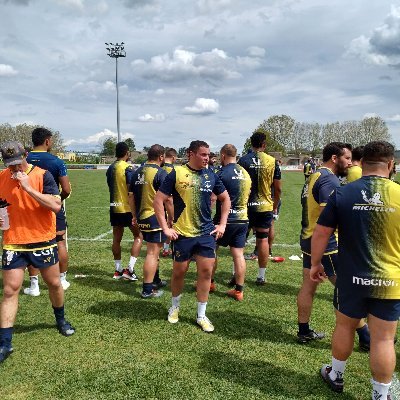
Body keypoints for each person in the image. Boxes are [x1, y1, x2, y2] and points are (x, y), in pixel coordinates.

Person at [310, 141, 400, 398]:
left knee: (345, 326)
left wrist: (316, 264)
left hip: (351, 278)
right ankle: (381, 394)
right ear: (391, 164)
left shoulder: (344, 192)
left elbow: (321, 233)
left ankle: (336, 374)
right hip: (390, 279)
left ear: (362, 164)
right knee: (383, 339)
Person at [0, 141, 75, 364]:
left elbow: (55, 206)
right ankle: (5, 342)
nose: (15, 169)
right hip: (13, 242)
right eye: (10, 165)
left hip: (42, 240)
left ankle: (60, 320)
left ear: (26, 155)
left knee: (53, 284)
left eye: (18, 163)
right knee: (10, 290)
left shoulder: (42, 175)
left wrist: (29, 188)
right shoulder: (2, 177)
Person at [153, 140, 230, 333]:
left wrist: (222, 224)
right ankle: (175, 307)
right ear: (191, 154)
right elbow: (159, 200)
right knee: (179, 272)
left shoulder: (211, 175)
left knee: (205, 273)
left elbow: (225, 198)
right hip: (182, 234)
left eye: (209, 155)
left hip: (205, 234)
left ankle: (201, 315)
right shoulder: (176, 173)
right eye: (203, 155)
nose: (207, 158)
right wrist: (165, 228)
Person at [297, 142, 369, 347]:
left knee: (308, 287)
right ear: (335, 159)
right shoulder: (329, 180)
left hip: (308, 238)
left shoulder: (316, 176)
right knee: (348, 290)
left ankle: (303, 331)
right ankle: (365, 336)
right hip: (326, 243)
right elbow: (326, 215)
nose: (350, 162)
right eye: (347, 158)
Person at [23, 127, 72, 296]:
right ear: (47, 141)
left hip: (28, 208)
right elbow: (66, 189)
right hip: (52, 207)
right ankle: (62, 279)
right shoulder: (56, 161)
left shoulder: (25, 159)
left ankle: (34, 285)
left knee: (31, 243)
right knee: (60, 241)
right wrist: (57, 200)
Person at [129, 144, 172, 298]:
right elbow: (168, 200)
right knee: (152, 253)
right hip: (155, 217)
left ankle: (156, 280)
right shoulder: (161, 173)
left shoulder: (137, 172)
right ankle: (147, 289)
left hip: (141, 217)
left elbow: (131, 197)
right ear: (161, 157)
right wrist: (171, 219)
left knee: (155, 251)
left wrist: (134, 216)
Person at [238, 131, 281, 285]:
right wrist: (274, 206)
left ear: (252, 143)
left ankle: (236, 274)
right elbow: (278, 188)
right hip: (265, 206)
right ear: (264, 144)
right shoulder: (272, 161)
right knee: (262, 240)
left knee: (240, 241)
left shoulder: (243, 160)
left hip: (246, 207)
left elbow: (239, 184)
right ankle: (261, 276)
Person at [213, 144, 251, 301]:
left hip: (224, 219)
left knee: (212, 250)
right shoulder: (245, 173)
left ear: (223, 155)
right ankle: (239, 290)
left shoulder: (221, 173)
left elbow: (214, 197)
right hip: (242, 219)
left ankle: (210, 283)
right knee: (238, 255)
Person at [106, 142, 142, 281]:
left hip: (114, 207)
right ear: (127, 153)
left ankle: (117, 270)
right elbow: (130, 190)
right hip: (127, 208)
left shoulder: (110, 168)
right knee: (139, 236)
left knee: (116, 239)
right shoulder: (128, 168)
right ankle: (130, 269)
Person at [161, 147, 177, 258]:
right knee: (171, 224)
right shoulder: (173, 170)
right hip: (169, 201)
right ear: (173, 157)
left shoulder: (159, 168)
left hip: (156, 202)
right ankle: (167, 249)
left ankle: (162, 247)